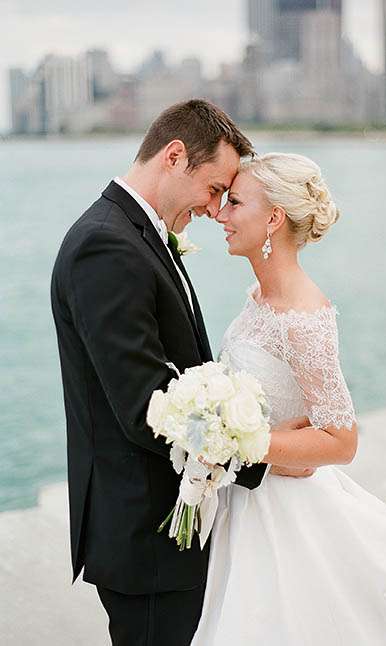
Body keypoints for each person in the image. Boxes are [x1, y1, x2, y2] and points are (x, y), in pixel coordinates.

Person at [50, 99, 301, 645]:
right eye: (213, 189)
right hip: (145, 537)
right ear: (174, 155)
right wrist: (265, 452)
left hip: (166, 529)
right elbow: (148, 406)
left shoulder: (134, 232)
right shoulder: (106, 246)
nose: (215, 210)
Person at [190, 152, 386, 645]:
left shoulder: (304, 316)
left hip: (283, 514)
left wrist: (240, 442)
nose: (219, 214)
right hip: (243, 503)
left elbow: (342, 440)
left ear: (274, 218)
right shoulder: (259, 298)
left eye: (234, 202)